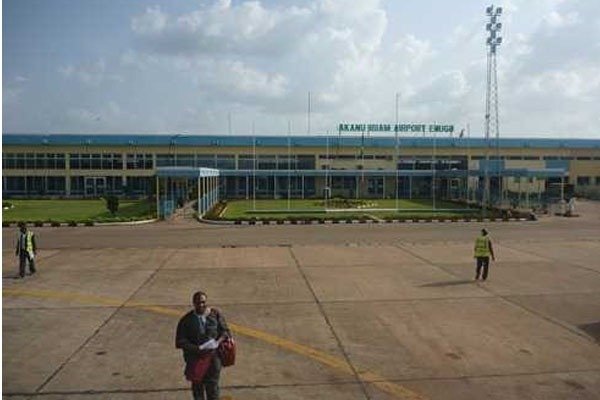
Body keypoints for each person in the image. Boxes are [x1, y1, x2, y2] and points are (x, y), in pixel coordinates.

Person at [176, 291, 231, 400]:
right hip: (195, 359)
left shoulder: (215, 315)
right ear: (193, 303)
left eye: (203, 302)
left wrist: (217, 342)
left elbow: (225, 332)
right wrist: (196, 349)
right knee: (197, 387)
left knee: (213, 386)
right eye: (198, 303)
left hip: (213, 357)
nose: (201, 305)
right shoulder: (186, 320)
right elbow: (181, 341)